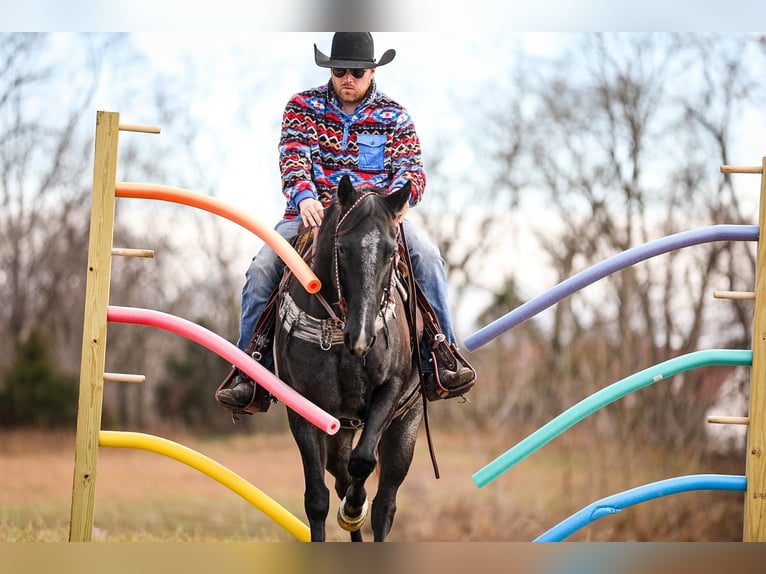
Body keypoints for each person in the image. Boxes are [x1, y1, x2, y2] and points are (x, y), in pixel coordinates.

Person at [216, 32, 475, 410]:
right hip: (312, 216)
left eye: (356, 71)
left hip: (377, 221)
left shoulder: (395, 115)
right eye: (340, 71)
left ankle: (440, 355)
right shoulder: (302, 107)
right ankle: (251, 371)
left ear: (372, 71)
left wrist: (400, 201)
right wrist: (303, 196)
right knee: (261, 271)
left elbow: (411, 171)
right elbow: (293, 157)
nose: (347, 79)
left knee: (429, 259)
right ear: (330, 70)